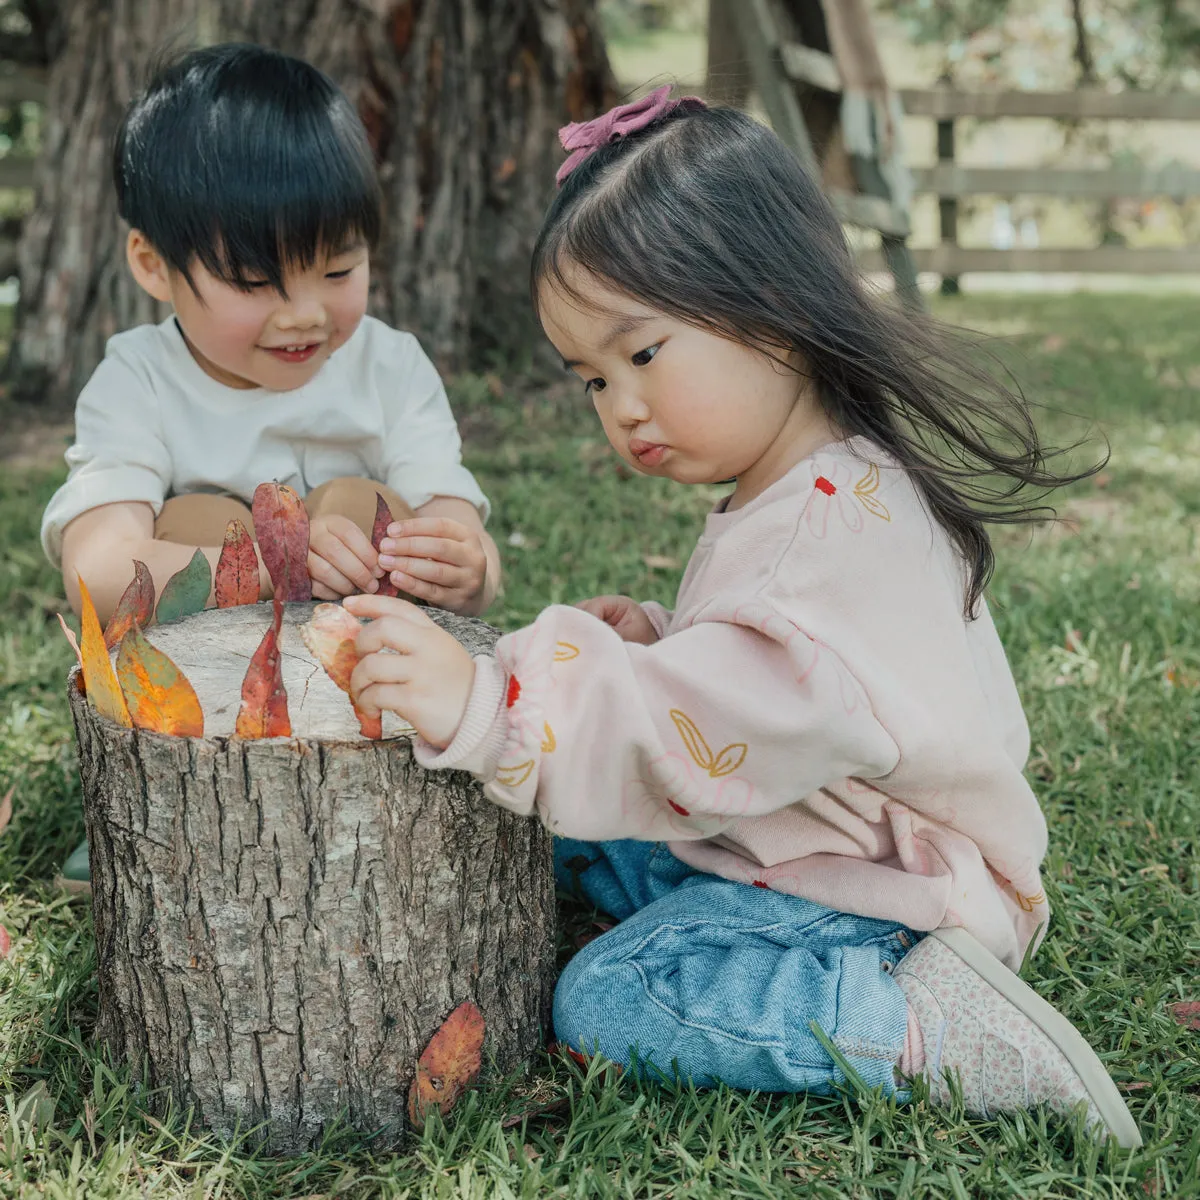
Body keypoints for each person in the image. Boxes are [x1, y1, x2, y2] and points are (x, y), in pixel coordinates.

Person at [341, 88, 1140, 1147]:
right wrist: (669, 644)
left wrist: (489, 701)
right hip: (815, 821)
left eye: (643, 354)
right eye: (591, 379)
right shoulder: (817, 481)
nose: (620, 407)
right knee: (580, 835)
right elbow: (777, 690)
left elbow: (742, 703)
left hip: (885, 890)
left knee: (610, 997)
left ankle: (914, 1023)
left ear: (775, 307)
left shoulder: (821, 532)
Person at [43, 43, 499, 891]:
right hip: (202, 715)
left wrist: (463, 564)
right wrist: (274, 563)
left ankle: (392, 780)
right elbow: (98, 569)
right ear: (153, 265)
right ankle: (159, 803)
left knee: (365, 504)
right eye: (255, 279)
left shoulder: (389, 367)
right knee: (199, 521)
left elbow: (458, 532)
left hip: (356, 689)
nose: (304, 313)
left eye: (337, 269)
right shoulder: (137, 380)